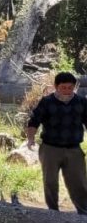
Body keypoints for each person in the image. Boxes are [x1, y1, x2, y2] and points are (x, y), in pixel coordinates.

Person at [27, 72, 87, 214]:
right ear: (56, 87)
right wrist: (30, 139)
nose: (67, 91)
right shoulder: (47, 102)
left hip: (74, 149)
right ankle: (53, 211)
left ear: (75, 87)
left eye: (70, 88)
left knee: (79, 182)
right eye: (63, 87)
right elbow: (34, 121)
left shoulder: (81, 102)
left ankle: (84, 212)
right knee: (50, 182)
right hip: (50, 149)